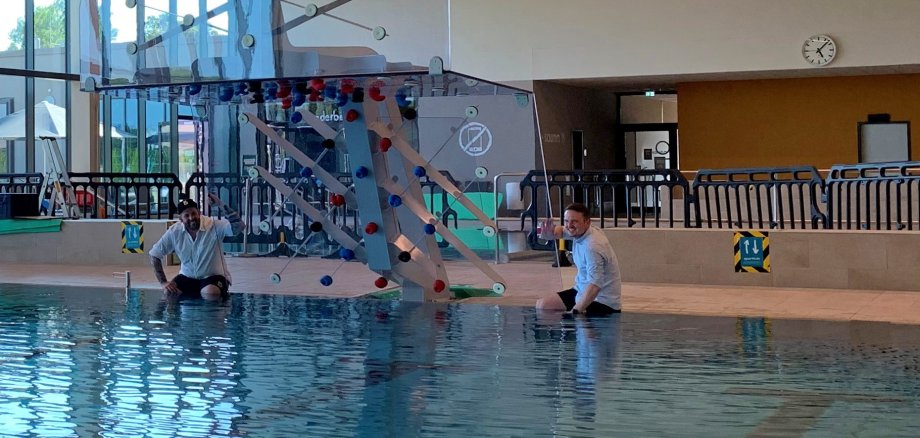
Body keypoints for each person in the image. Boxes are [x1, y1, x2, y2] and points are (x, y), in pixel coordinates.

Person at [149, 193, 245, 299]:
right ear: (180, 219)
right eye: (186, 215)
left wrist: (220, 204)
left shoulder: (213, 225)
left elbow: (239, 227)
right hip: (187, 277)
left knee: (210, 292)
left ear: (199, 213)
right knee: (170, 292)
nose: (191, 218)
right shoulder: (174, 232)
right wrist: (163, 282)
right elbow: (154, 254)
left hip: (213, 277)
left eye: (194, 213)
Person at [535, 203, 621, 316]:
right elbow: (561, 231)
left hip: (602, 301)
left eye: (574, 221)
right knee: (543, 305)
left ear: (587, 222)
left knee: (574, 319)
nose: (569, 225)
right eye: (566, 221)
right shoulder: (579, 231)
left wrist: (576, 310)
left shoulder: (593, 246)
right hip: (581, 290)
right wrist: (549, 234)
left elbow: (595, 284)